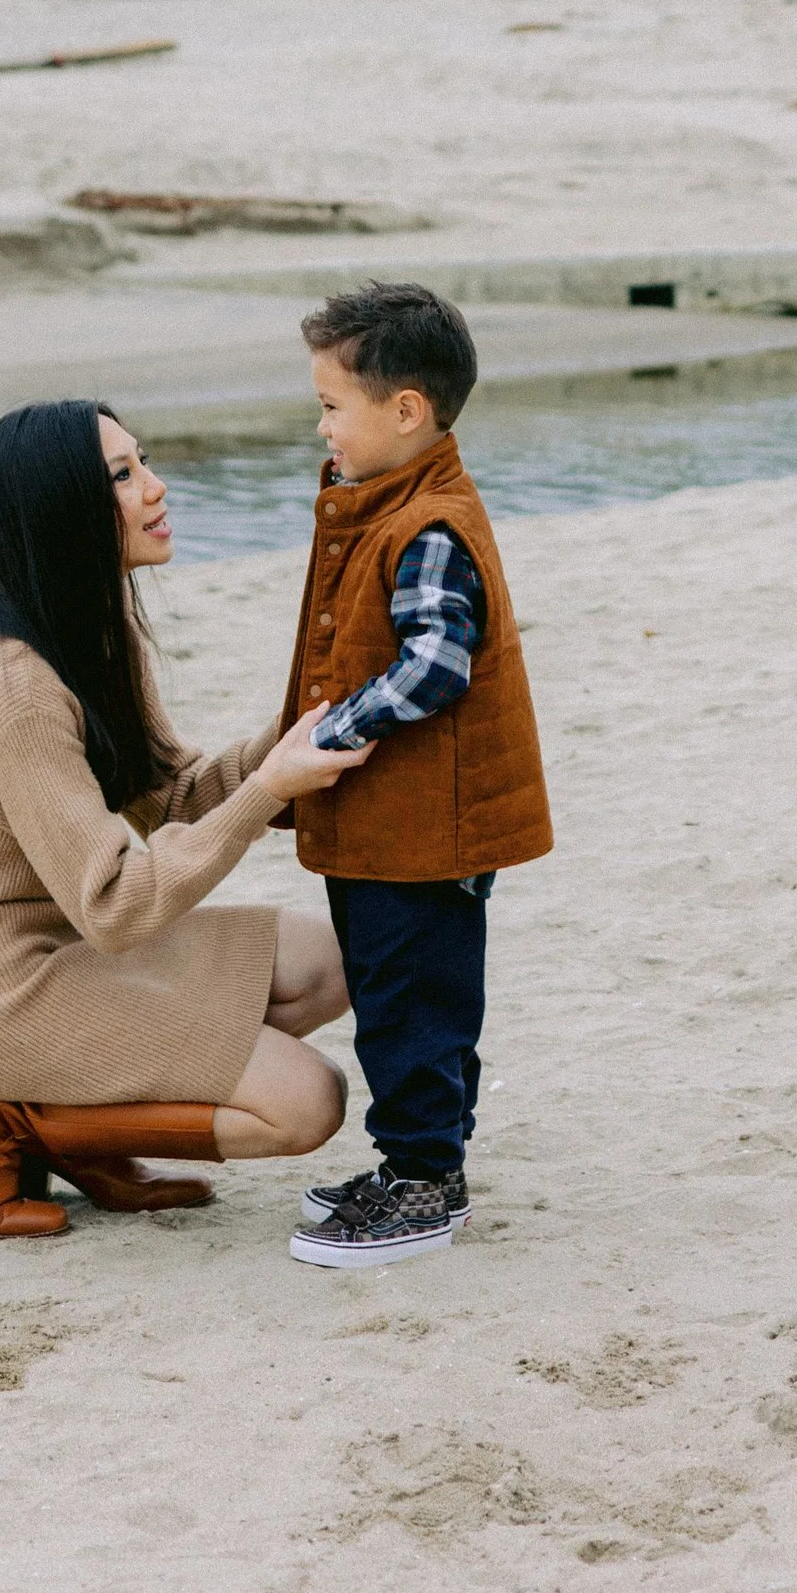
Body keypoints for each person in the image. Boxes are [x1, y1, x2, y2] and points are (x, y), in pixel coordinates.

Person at [0, 399, 364, 1240]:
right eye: (123, 475)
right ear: (63, 510)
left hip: (65, 950)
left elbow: (173, 799)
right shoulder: (12, 685)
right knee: (307, 1104)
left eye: (143, 462)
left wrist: (286, 742)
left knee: (342, 961)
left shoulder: (92, 637)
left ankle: (69, 1111)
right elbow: (115, 903)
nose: (156, 487)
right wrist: (269, 791)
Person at [281, 282, 553, 1270]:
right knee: (401, 992)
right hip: (388, 822)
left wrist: (335, 729)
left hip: (424, 827)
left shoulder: (429, 521)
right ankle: (414, 1162)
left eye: (331, 405)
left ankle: (424, 1179)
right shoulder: (393, 500)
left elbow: (438, 663)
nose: (320, 425)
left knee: (414, 1002)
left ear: (406, 410)